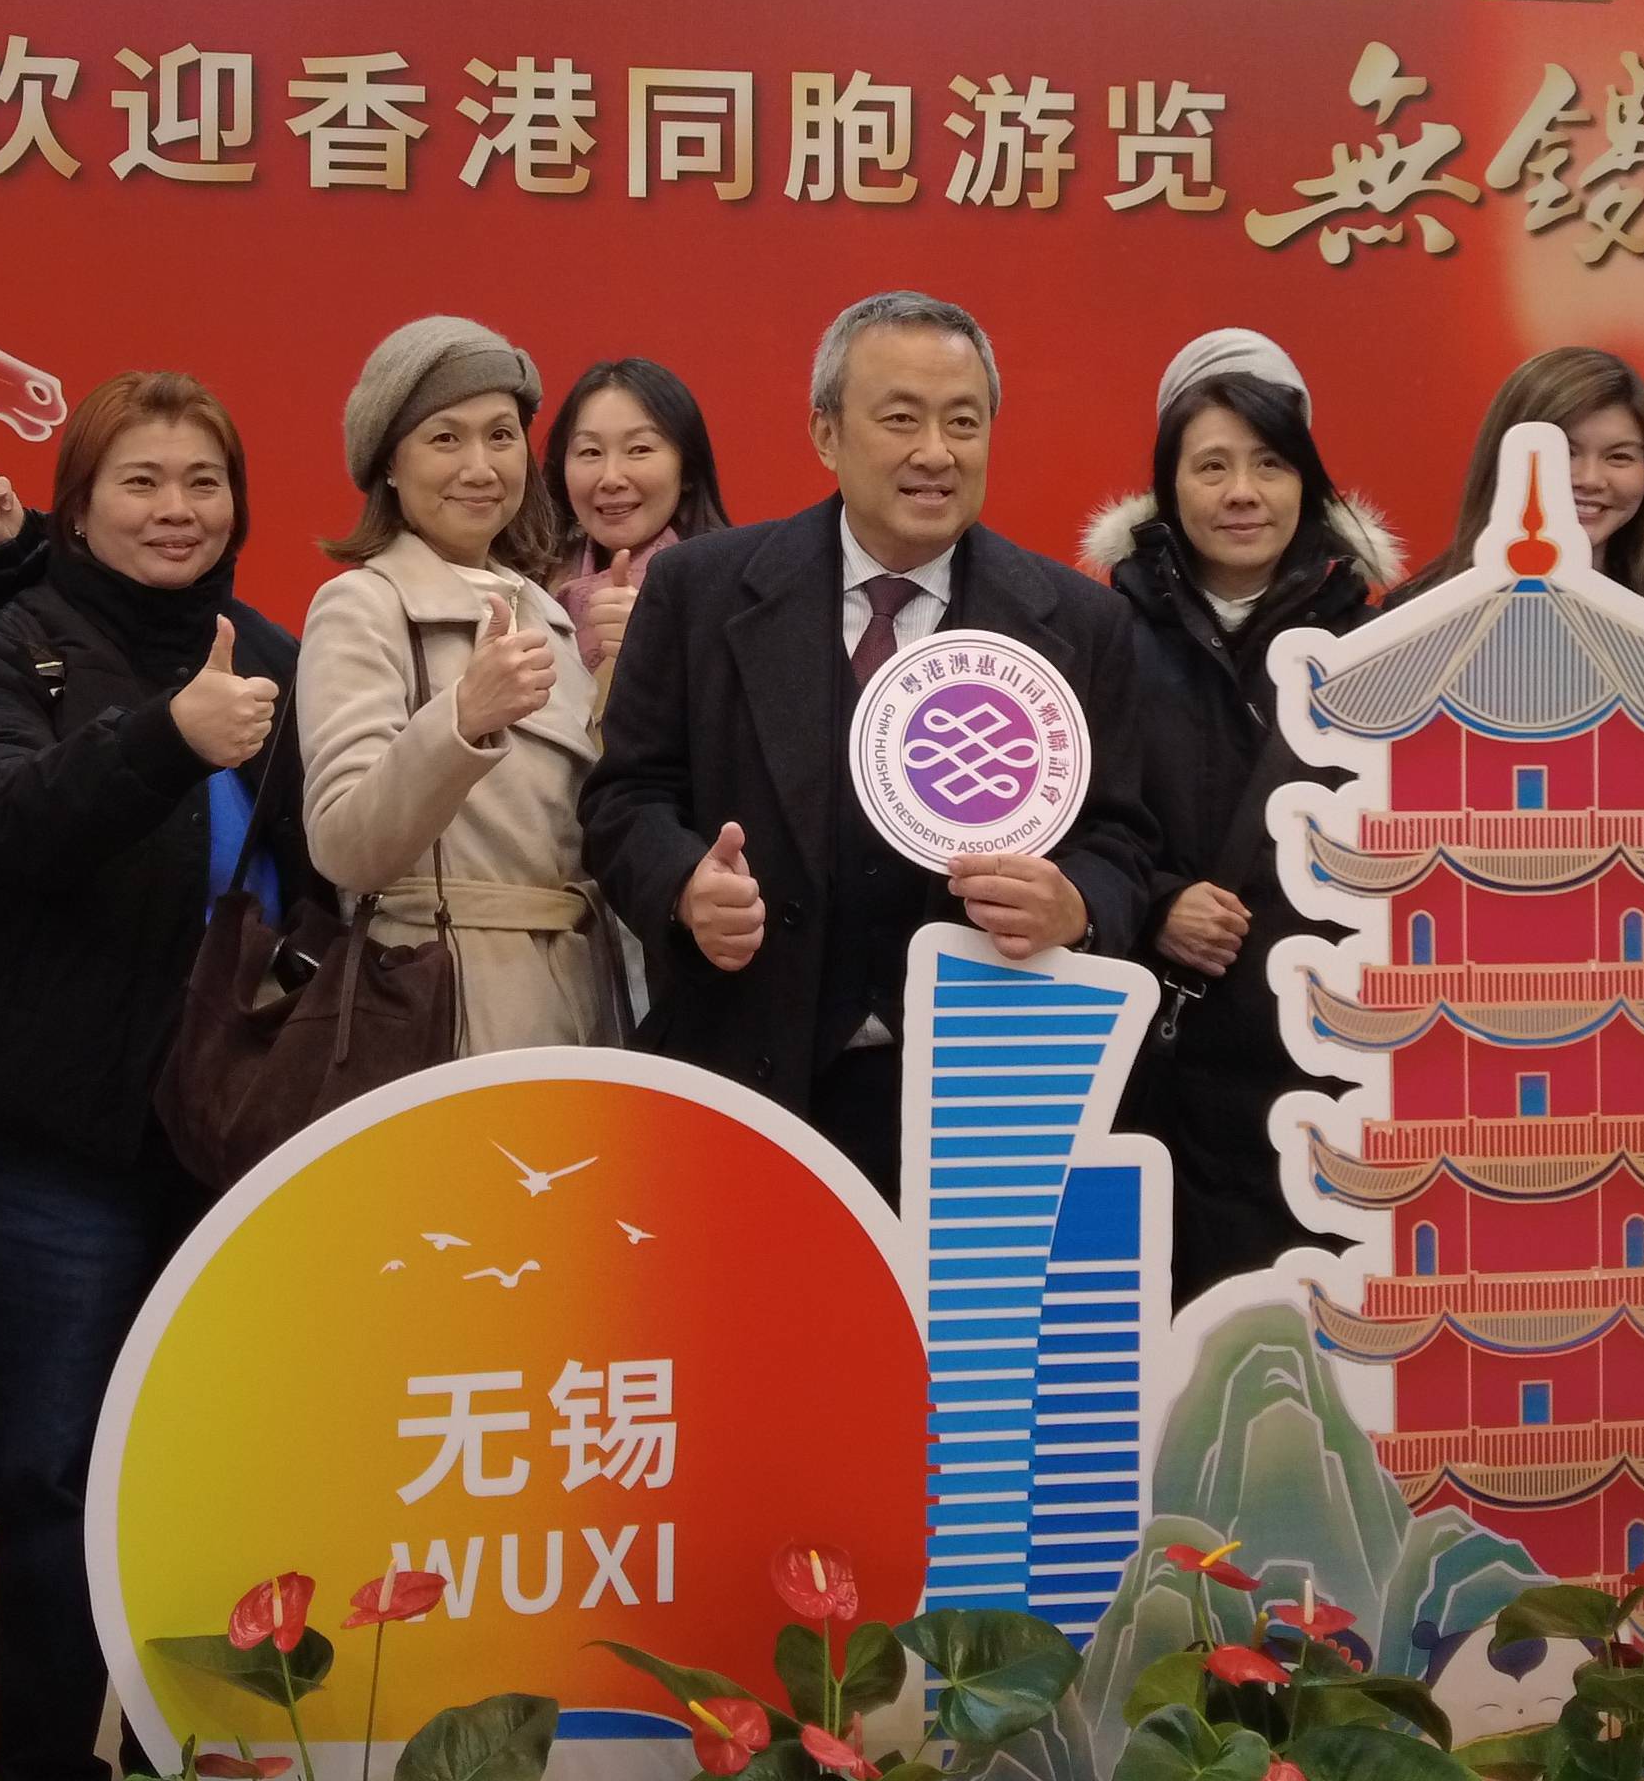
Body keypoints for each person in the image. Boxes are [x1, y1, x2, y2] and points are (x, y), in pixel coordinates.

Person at [0, 373, 296, 1781]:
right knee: (39, 1476)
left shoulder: (276, 653)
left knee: (219, 1473)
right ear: (77, 507)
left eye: (204, 481)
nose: (176, 509)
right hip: (60, 1145)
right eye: (142, 480)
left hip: (236, 1137)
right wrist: (169, 737)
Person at [584, 291, 1160, 1195]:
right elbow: (624, 800)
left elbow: (1124, 842)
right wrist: (685, 886)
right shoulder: (701, 591)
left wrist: (1075, 904)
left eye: (963, 422)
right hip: (750, 1077)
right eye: (900, 419)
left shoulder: (1081, 625)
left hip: (980, 1107)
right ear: (826, 434)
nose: (936, 452)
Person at [1081, 330, 1394, 1297]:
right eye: (1211, 466)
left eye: (1270, 464)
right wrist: (1156, 902)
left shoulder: (1379, 644)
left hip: (1325, 1076)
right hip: (1157, 1070)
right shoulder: (1100, 634)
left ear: (1308, 480)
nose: (1242, 493)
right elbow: (1068, 825)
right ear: (1167, 484)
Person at [302, 318, 615, 1054]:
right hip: (443, 1010)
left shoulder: (546, 613)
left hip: (583, 1002)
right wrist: (461, 720)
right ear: (389, 464)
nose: (480, 467)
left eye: (501, 436)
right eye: (445, 438)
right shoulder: (363, 605)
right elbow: (345, 847)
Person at [1426, 348, 1644, 631]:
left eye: (1619, 456)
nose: (1591, 479)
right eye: (1565, 452)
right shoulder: (1416, 618)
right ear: (1502, 460)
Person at [540, 355, 733, 679]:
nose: (611, 478)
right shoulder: (528, 587)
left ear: (687, 469)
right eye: (590, 452)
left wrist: (661, 643)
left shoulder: (735, 590)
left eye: (639, 449)